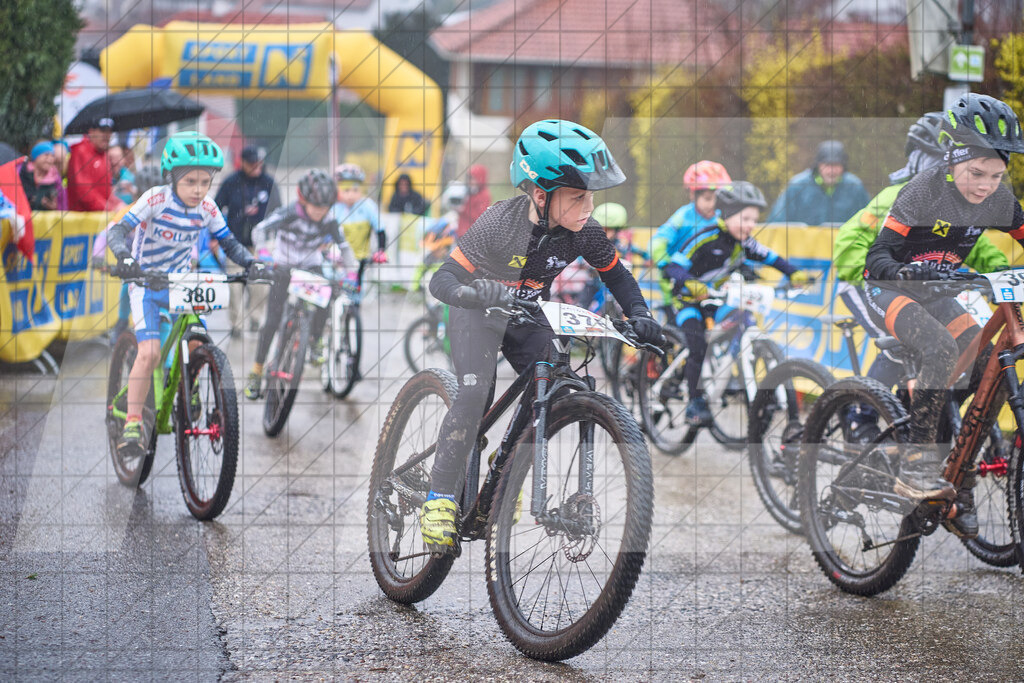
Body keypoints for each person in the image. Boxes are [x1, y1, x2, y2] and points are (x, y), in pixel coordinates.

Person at [420, 119, 664, 553]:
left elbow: (618, 277)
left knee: (554, 386)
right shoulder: (499, 222)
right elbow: (443, 278)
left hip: (527, 316)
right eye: (577, 196)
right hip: (477, 313)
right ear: (540, 194)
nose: (589, 206)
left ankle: (506, 469)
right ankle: (438, 498)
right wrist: (470, 291)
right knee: (475, 396)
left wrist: (640, 314)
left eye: (591, 195)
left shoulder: (584, 232)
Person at [862, 93, 1024, 538]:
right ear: (952, 158)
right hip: (891, 288)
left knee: (987, 367)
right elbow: (876, 257)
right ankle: (915, 467)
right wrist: (906, 271)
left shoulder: (998, 200)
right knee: (937, 347)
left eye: (996, 175)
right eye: (976, 173)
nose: (985, 186)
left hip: (938, 291)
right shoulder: (922, 192)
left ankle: (960, 477)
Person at [105, 131, 266, 456]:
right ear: (172, 177)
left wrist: (251, 263)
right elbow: (118, 230)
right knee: (149, 354)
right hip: (146, 282)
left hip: (181, 283)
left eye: (205, 181)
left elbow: (230, 241)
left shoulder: (206, 206)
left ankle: (187, 386)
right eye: (190, 181)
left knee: (196, 342)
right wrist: (124, 257)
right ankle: (133, 422)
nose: (198, 189)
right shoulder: (155, 198)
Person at [834, 113, 1008, 396]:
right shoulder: (896, 194)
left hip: (919, 287)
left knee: (946, 349)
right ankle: (861, 416)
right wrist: (871, 275)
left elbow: (976, 244)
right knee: (898, 347)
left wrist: (1001, 270)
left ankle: (907, 413)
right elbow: (848, 240)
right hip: (865, 282)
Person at [660, 181, 809, 426]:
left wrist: (793, 273)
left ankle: (729, 380)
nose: (751, 225)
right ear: (727, 215)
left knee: (736, 323)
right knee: (696, 344)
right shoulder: (703, 236)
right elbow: (673, 267)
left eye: (754, 220)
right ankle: (694, 403)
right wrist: (691, 283)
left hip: (716, 299)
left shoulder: (745, 241)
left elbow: (771, 258)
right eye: (745, 219)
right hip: (688, 300)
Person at [244, 169, 359, 399]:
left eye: (325, 207)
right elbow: (259, 231)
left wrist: (351, 274)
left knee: (326, 297)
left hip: (311, 268)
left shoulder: (330, 220)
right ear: (303, 200)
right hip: (283, 266)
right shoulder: (288, 213)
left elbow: (345, 249)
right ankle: (257, 371)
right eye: (316, 206)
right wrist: (264, 253)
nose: (320, 212)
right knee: (272, 321)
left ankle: (315, 342)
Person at [214, 144, 282, 336]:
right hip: (235, 243)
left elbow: (279, 212)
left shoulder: (269, 183)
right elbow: (216, 208)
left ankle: (255, 318)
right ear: (242, 162)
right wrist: (214, 237)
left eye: (259, 163)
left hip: (261, 245)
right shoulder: (231, 182)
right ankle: (237, 325)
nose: (256, 167)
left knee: (260, 286)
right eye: (252, 163)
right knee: (234, 287)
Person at [651, 160, 732, 308]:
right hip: (678, 283)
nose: (713, 204)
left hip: (708, 282)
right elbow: (658, 241)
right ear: (693, 195)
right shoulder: (682, 217)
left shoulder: (721, 217)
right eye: (708, 199)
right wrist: (665, 264)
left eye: (718, 199)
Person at [766, 140, 870, 225]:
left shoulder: (855, 187)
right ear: (818, 165)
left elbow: (869, 221)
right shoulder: (797, 186)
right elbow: (777, 223)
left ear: (843, 167)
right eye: (827, 165)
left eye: (836, 165)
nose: (832, 171)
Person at [331, 163, 386, 289]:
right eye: (346, 190)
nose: (351, 195)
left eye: (355, 190)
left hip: (360, 258)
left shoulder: (368, 206)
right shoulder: (333, 208)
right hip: (338, 259)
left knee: (356, 293)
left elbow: (380, 229)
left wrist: (381, 250)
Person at [67, 117, 115, 211]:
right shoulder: (80, 151)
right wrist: (106, 207)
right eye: (102, 131)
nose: (107, 135)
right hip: (83, 219)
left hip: (101, 217)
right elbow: (82, 190)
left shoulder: (104, 155)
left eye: (109, 132)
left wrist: (117, 203)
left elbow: (108, 190)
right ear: (91, 132)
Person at [18, 141, 61, 210]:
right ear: (36, 157)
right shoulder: (22, 172)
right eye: (46, 155)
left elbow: (62, 203)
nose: (50, 159)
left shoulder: (55, 177)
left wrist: (54, 207)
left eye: (52, 156)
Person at [456, 163, 491, 237]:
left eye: (473, 179)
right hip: (461, 233)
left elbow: (480, 217)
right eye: (469, 179)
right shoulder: (469, 192)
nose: (470, 182)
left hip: (472, 235)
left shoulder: (484, 195)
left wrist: (463, 210)